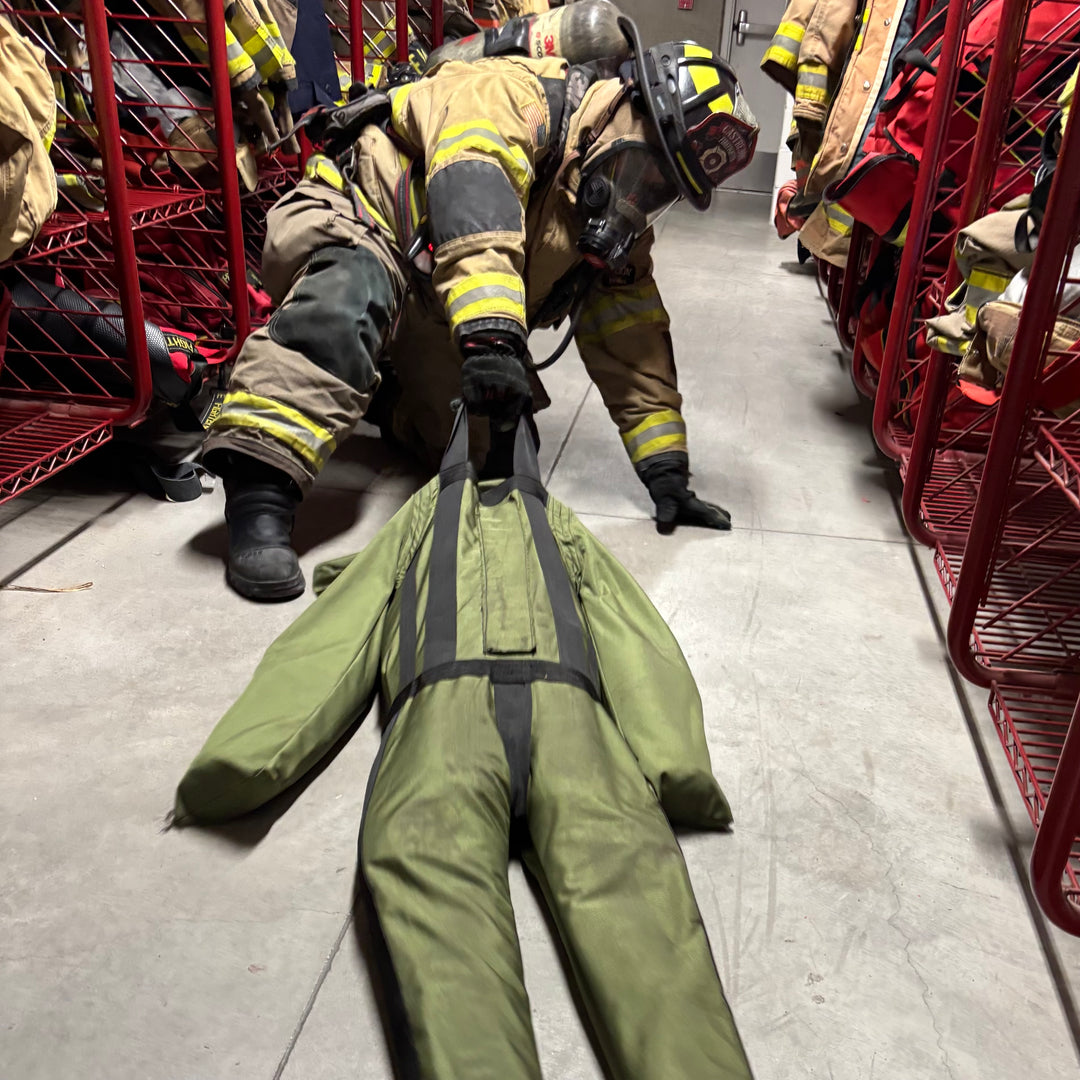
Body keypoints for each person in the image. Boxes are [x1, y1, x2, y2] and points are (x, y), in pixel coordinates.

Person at [202, 22, 759, 601]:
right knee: (348, 299)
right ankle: (260, 491)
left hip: (439, 295)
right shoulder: (512, 94)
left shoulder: (610, 211)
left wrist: (665, 470)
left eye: (663, 190)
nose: (641, 194)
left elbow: (631, 336)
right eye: (648, 166)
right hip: (364, 219)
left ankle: (388, 395)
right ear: (627, 101)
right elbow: (475, 203)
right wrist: (493, 338)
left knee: (496, 450)